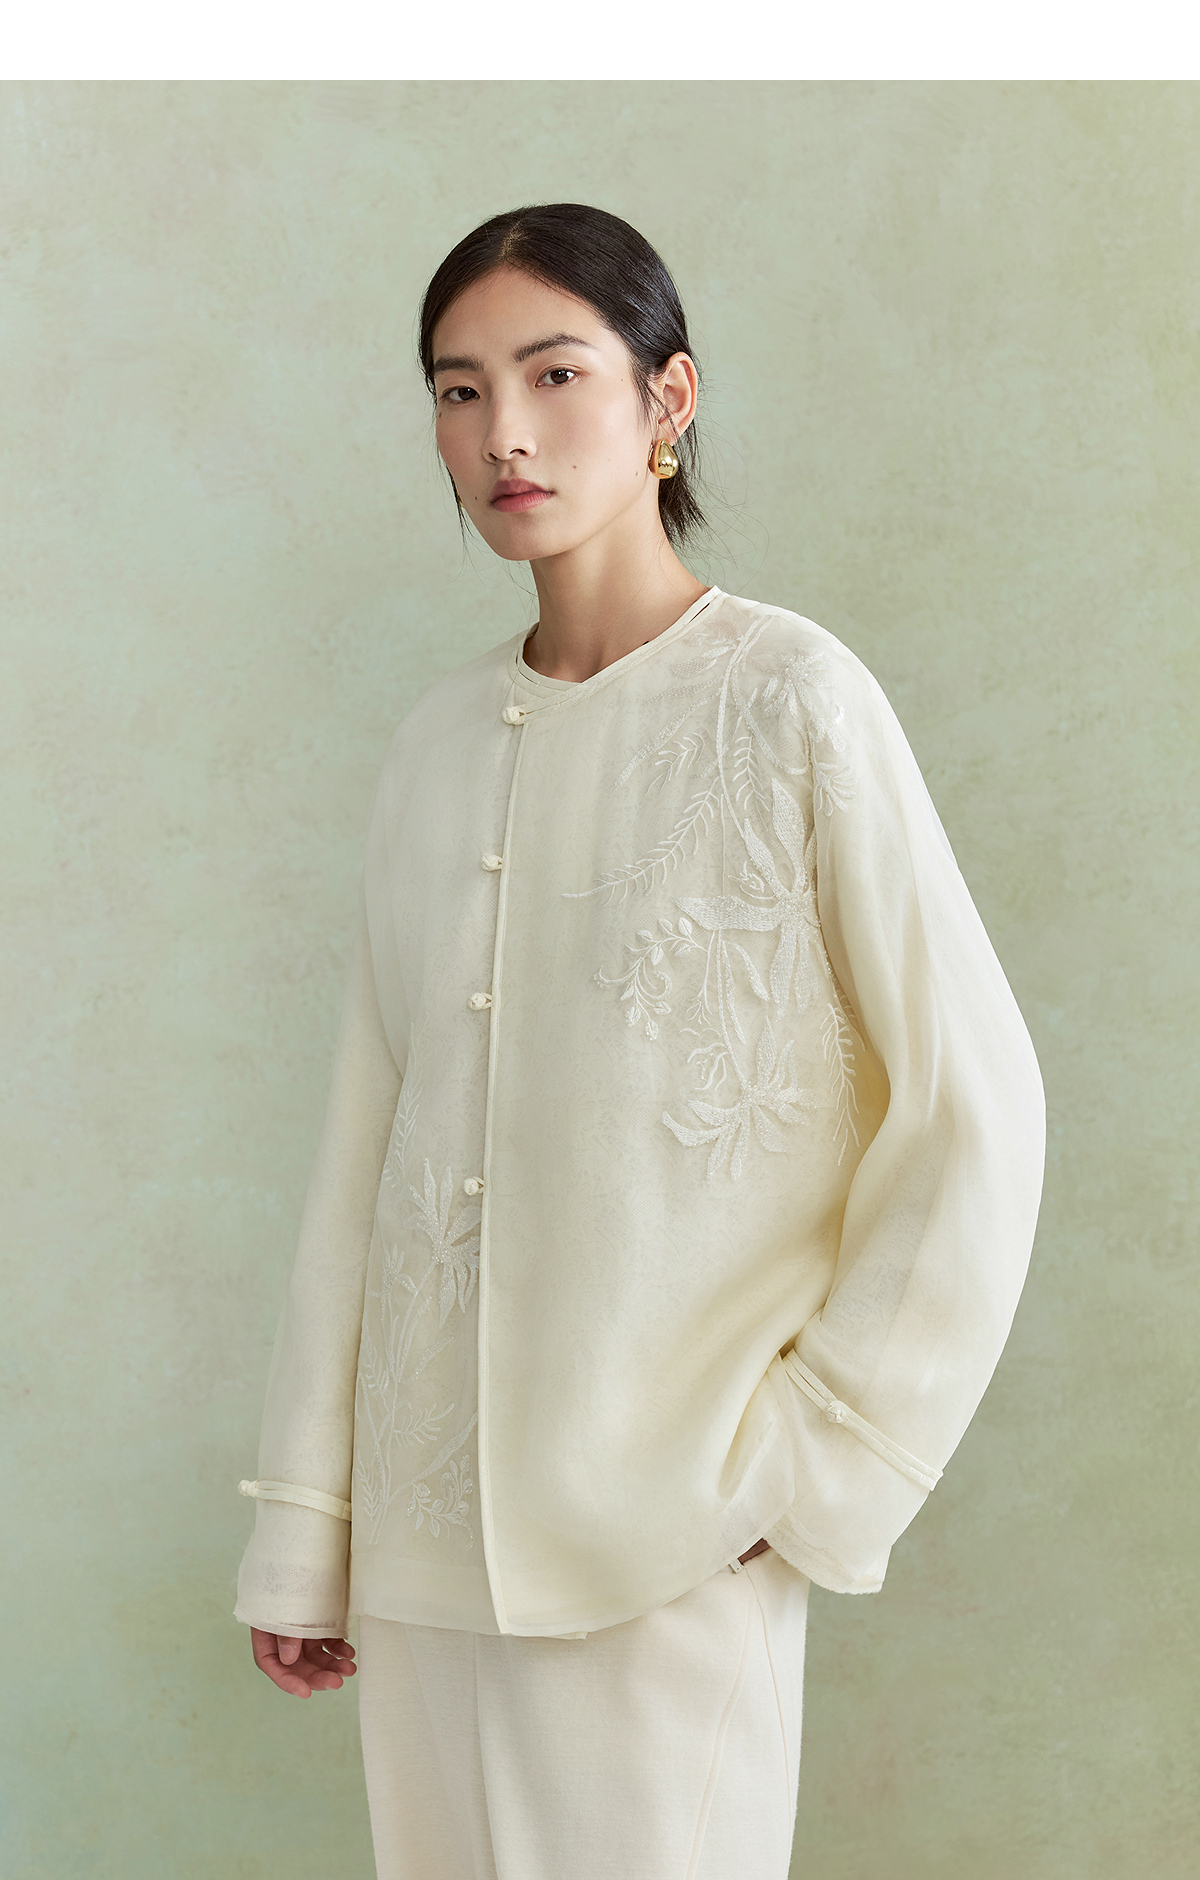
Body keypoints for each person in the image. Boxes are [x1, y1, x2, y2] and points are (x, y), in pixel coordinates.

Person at [233, 202, 1046, 1880]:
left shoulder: (795, 699)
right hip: (427, 1560)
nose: (503, 435)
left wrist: (810, 1471)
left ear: (668, 398)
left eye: (554, 374)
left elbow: (978, 1109)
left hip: (671, 1543)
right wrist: (310, 1528)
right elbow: (368, 1150)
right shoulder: (436, 746)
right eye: (459, 390)